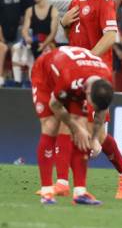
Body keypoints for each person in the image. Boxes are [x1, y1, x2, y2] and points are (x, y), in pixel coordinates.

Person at [59, 0, 122, 200]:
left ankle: (75, 185)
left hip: (96, 74)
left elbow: (111, 36)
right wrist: (63, 24)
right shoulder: (74, 3)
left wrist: (86, 58)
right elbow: (73, 38)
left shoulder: (104, 1)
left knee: (91, 132)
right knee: (91, 133)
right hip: (77, 75)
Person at [31, 46, 113, 205]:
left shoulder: (106, 78)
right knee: (51, 126)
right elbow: (55, 105)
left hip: (76, 74)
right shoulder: (70, 78)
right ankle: (47, 192)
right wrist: (75, 127)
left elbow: (101, 112)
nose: (93, 109)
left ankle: (80, 193)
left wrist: (94, 138)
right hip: (46, 74)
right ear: (87, 94)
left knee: (82, 128)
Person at [12, 0, 58, 86]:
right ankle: (17, 82)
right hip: (34, 41)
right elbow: (24, 29)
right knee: (16, 48)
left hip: (48, 42)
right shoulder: (30, 10)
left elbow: (53, 32)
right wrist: (27, 37)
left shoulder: (53, 10)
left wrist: (45, 44)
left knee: (45, 56)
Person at [0, 0, 25, 86]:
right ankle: (1, 80)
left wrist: (21, 36)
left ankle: (18, 81)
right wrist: (1, 38)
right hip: (2, 32)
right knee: (2, 49)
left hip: (16, 33)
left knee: (17, 49)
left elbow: (24, 15)